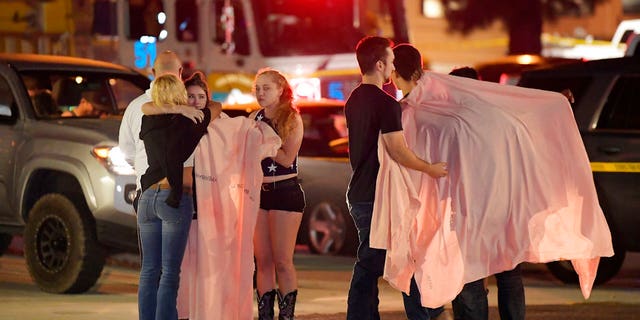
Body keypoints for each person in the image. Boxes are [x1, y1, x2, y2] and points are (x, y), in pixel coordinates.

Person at [344, 36, 448, 320]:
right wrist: (430, 168)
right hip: (379, 196)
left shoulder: (354, 99)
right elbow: (398, 151)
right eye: (390, 61)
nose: (393, 67)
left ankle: (425, 311)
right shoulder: (386, 104)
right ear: (379, 64)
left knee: (393, 258)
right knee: (378, 262)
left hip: (360, 192)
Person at [446, 66, 525, 320]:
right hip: (505, 207)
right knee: (509, 275)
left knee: (470, 279)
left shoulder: (453, 122)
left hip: (472, 212)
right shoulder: (503, 117)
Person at [136, 73, 213, 320]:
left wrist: (176, 107)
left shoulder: (147, 120)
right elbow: (216, 108)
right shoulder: (188, 123)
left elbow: (149, 107)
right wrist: (185, 110)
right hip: (172, 199)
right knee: (170, 272)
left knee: (149, 270)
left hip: (147, 198)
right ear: (179, 96)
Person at [251, 68, 305, 320]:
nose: (261, 93)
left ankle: (286, 316)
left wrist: (264, 143)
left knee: (282, 260)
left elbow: (286, 158)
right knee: (263, 261)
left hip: (285, 192)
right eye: (258, 88)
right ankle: (265, 315)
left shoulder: (291, 118)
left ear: (280, 90)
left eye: (267, 88)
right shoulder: (254, 117)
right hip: (259, 194)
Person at [118, 50, 202, 209]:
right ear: (180, 72)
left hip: (146, 193)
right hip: (179, 195)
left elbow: (127, 153)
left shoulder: (135, 107)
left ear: (153, 72)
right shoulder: (191, 109)